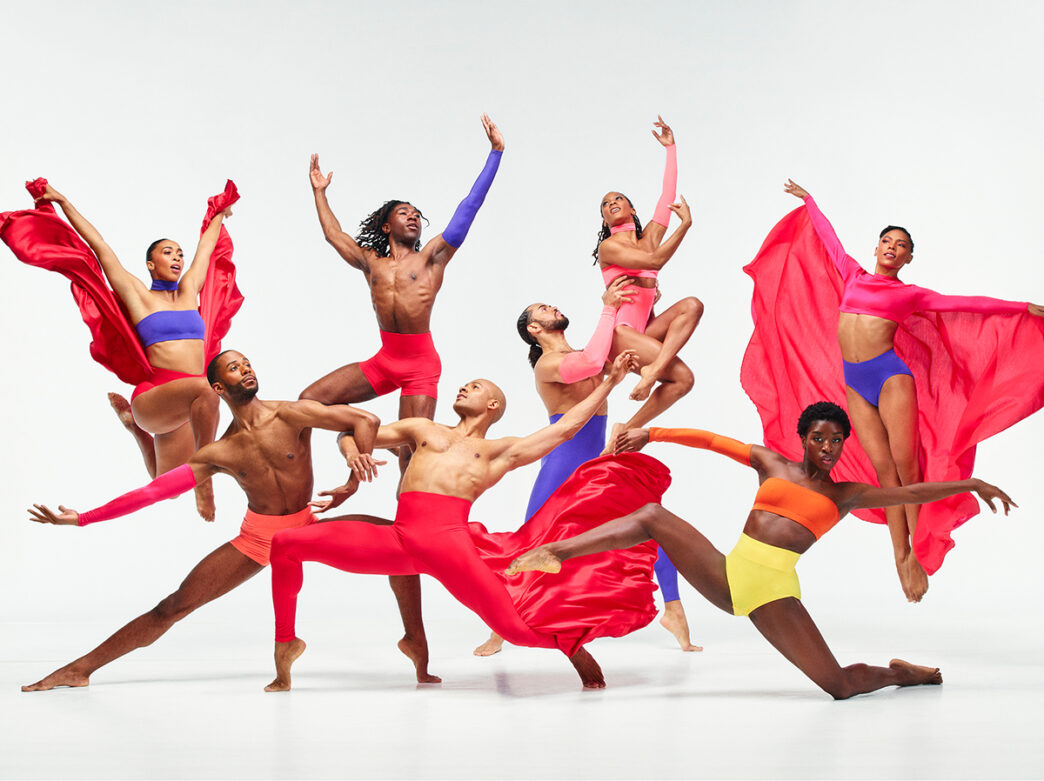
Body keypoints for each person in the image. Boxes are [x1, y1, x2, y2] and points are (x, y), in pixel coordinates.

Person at [506, 402, 1016, 700]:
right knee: (651, 516)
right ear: (803, 438)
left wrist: (970, 483)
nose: (829, 447)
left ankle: (902, 673)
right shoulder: (772, 464)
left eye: (837, 440)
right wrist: (651, 432)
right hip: (729, 575)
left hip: (772, 592)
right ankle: (558, 551)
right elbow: (713, 441)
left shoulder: (846, 495)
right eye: (819, 438)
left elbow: (910, 492)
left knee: (838, 686)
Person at [21, 350, 439, 691]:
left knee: (401, 543)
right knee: (173, 606)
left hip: (307, 527)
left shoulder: (291, 414)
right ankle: (80, 669)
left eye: (248, 363)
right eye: (235, 368)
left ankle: (414, 641)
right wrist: (83, 518)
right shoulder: (218, 453)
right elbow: (153, 492)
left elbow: (365, 420)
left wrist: (353, 478)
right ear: (219, 388)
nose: (246, 370)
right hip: (258, 540)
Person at [264, 351, 675, 692]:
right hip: (399, 540)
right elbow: (353, 429)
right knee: (285, 544)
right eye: (464, 385)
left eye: (475, 386)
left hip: (451, 547)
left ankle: (573, 647)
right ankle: (287, 644)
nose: (463, 388)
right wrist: (353, 454)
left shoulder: (499, 452)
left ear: (492, 405)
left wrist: (610, 383)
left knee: (516, 632)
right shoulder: (422, 428)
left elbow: (566, 428)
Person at [741, 181, 1044, 601]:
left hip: (890, 379)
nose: (892, 248)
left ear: (908, 258)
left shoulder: (909, 294)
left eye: (901, 245)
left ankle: (918, 555)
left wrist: (1021, 308)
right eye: (887, 241)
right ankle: (899, 555)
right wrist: (810, 201)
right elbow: (829, 242)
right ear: (877, 248)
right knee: (885, 474)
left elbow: (965, 304)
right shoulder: (853, 274)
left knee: (907, 469)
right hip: (855, 383)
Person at [301, 114, 504, 652]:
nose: (414, 217)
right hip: (385, 360)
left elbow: (467, 210)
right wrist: (319, 191)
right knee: (308, 402)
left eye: (417, 213)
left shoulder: (433, 257)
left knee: (409, 474)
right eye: (404, 213)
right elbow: (334, 236)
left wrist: (494, 156)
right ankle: (330, 474)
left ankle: (414, 619)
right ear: (388, 224)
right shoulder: (370, 260)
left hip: (418, 366)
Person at [1, 178, 243, 521]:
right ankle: (205, 478)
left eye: (179, 253)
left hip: (186, 406)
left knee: (170, 488)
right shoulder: (137, 295)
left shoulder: (190, 290)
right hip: (156, 397)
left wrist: (219, 212)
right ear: (151, 264)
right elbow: (98, 245)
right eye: (167, 252)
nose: (177, 257)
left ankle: (135, 429)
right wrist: (63, 201)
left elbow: (206, 247)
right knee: (209, 388)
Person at [472, 287, 697, 656]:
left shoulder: (586, 354)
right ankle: (499, 630)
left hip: (599, 460)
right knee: (531, 542)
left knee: (653, 526)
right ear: (534, 329)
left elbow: (630, 355)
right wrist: (608, 309)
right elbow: (593, 363)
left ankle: (674, 612)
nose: (552, 306)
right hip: (562, 464)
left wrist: (646, 306)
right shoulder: (548, 365)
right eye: (543, 308)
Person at [592, 116, 704, 445]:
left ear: (632, 208)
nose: (612, 203)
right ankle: (652, 373)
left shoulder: (650, 237)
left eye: (618, 199)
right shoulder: (609, 247)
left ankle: (625, 431)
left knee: (691, 311)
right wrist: (684, 226)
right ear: (604, 220)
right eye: (605, 204)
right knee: (678, 374)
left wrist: (671, 148)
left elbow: (667, 195)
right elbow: (655, 262)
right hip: (620, 334)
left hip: (642, 331)